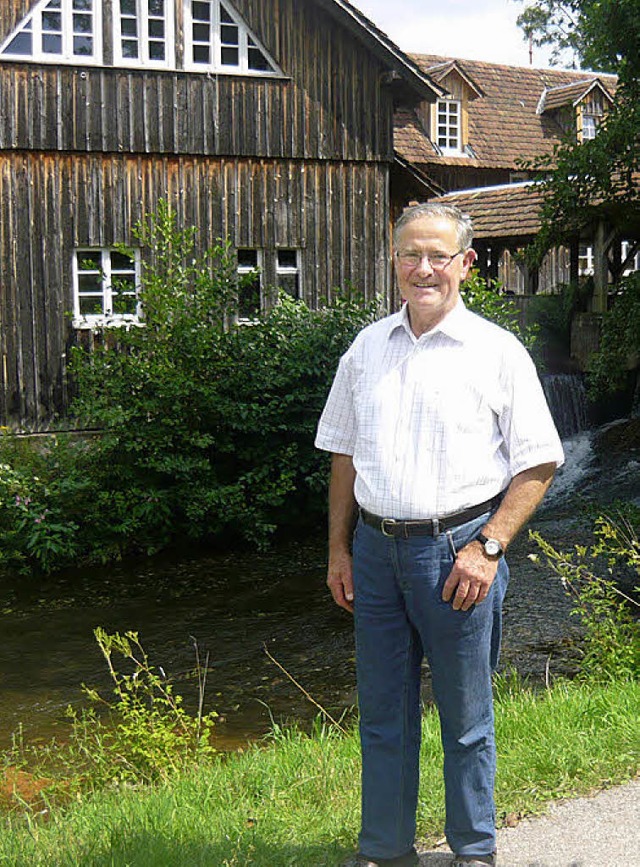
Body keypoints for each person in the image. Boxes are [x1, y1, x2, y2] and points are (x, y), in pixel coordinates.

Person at [314, 203, 564, 867]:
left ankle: (473, 850)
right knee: (383, 715)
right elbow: (343, 452)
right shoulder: (366, 349)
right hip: (373, 552)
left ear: (465, 264)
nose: (423, 269)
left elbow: (538, 461)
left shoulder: (496, 352)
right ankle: (386, 850)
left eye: (438, 256)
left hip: (457, 553)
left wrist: (488, 547)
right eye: (409, 255)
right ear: (394, 262)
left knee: (466, 715)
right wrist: (339, 548)